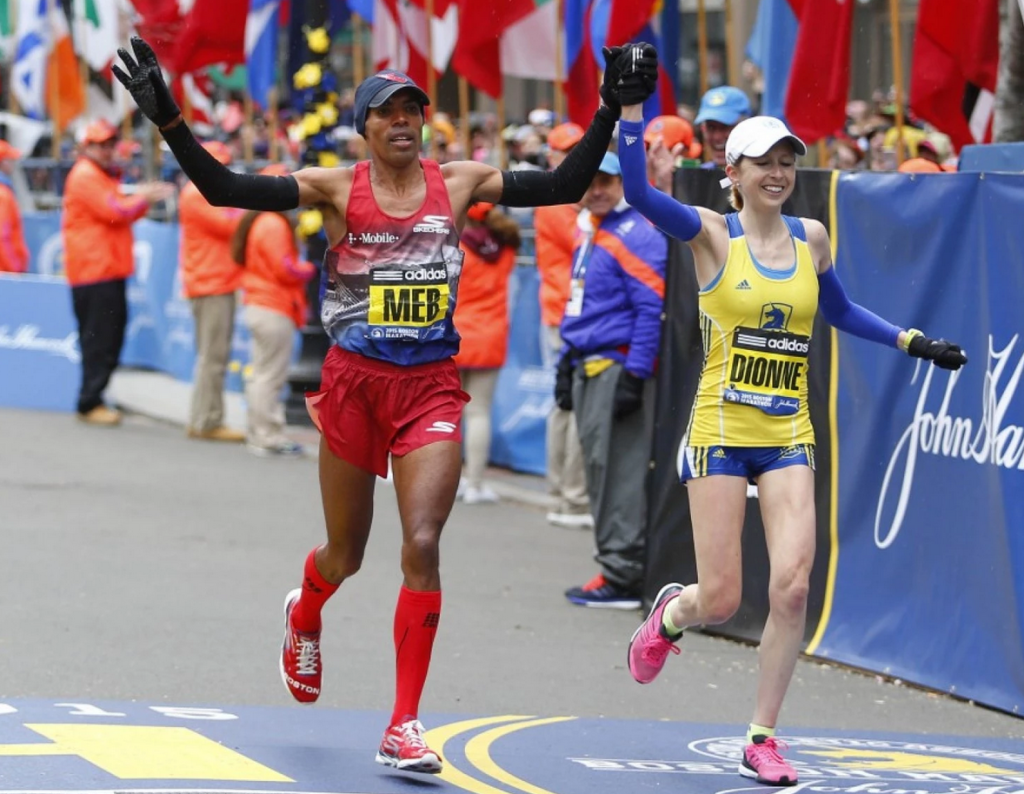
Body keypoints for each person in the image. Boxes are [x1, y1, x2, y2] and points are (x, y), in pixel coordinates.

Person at [114, 36, 657, 773]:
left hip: (429, 384)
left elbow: (563, 185)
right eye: (387, 113)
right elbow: (226, 190)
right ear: (365, 129)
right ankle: (305, 613)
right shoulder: (334, 188)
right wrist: (170, 120)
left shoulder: (460, 182)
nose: (403, 122)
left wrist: (606, 106)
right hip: (355, 382)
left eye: (413, 111)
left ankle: (403, 724)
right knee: (346, 554)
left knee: (424, 541)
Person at [614, 46, 967, 786]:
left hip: (786, 435)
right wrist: (630, 109)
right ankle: (672, 615)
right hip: (718, 432)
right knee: (723, 597)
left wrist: (910, 340)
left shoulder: (811, 239)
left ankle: (762, 736)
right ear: (733, 174)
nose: (777, 172)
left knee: (793, 586)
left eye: (787, 161)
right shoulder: (712, 233)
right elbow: (642, 197)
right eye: (762, 162)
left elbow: (837, 310)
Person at [560, 151, 668, 609]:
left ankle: (623, 573)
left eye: (606, 180)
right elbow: (579, 304)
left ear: (623, 183)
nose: (596, 189)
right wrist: (565, 361)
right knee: (601, 471)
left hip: (616, 367)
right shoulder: (591, 231)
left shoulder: (636, 233)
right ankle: (614, 566)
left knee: (619, 473)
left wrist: (635, 374)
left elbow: (650, 310)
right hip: (589, 365)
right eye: (590, 181)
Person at [62, 119, 173, 426]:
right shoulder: (86, 175)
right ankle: (90, 401)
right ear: (87, 147)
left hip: (104, 271)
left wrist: (139, 200)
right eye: (101, 145)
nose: (108, 150)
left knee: (107, 338)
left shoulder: (97, 174)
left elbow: (121, 214)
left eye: (110, 144)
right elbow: (116, 212)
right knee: (99, 339)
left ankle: (94, 397)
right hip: (94, 272)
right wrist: (144, 198)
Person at [231, 164, 317, 457]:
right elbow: (286, 268)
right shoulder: (272, 223)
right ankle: (267, 435)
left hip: (261, 304)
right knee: (270, 375)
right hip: (273, 306)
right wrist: (310, 269)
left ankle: (258, 432)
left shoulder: (260, 220)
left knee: (261, 373)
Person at [535, 122, 592, 528]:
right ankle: (570, 497)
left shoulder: (566, 199)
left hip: (564, 312)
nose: (574, 156)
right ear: (553, 158)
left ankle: (562, 493)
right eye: (565, 151)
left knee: (565, 406)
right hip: (566, 314)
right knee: (572, 405)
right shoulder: (557, 202)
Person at [452, 202, 519, 503]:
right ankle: (474, 483)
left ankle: (445, 481)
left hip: (453, 336)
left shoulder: (454, 248)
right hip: (490, 337)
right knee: (479, 412)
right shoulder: (506, 248)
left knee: (446, 415)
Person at [179, 141, 246, 443]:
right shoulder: (198, 194)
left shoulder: (197, 192)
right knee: (213, 356)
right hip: (211, 283)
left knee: (212, 355)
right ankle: (206, 420)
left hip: (213, 281)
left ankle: (205, 417)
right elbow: (232, 225)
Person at [693, 86, 752, 169]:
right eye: (711, 127)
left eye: (725, 127)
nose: (717, 137)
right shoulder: (701, 175)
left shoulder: (767, 177)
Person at [0, 140, 28, 274]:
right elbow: (2, 235)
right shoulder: (2, 193)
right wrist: (15, 269)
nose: (12, 163)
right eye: (9, 159)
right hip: (5, 274)